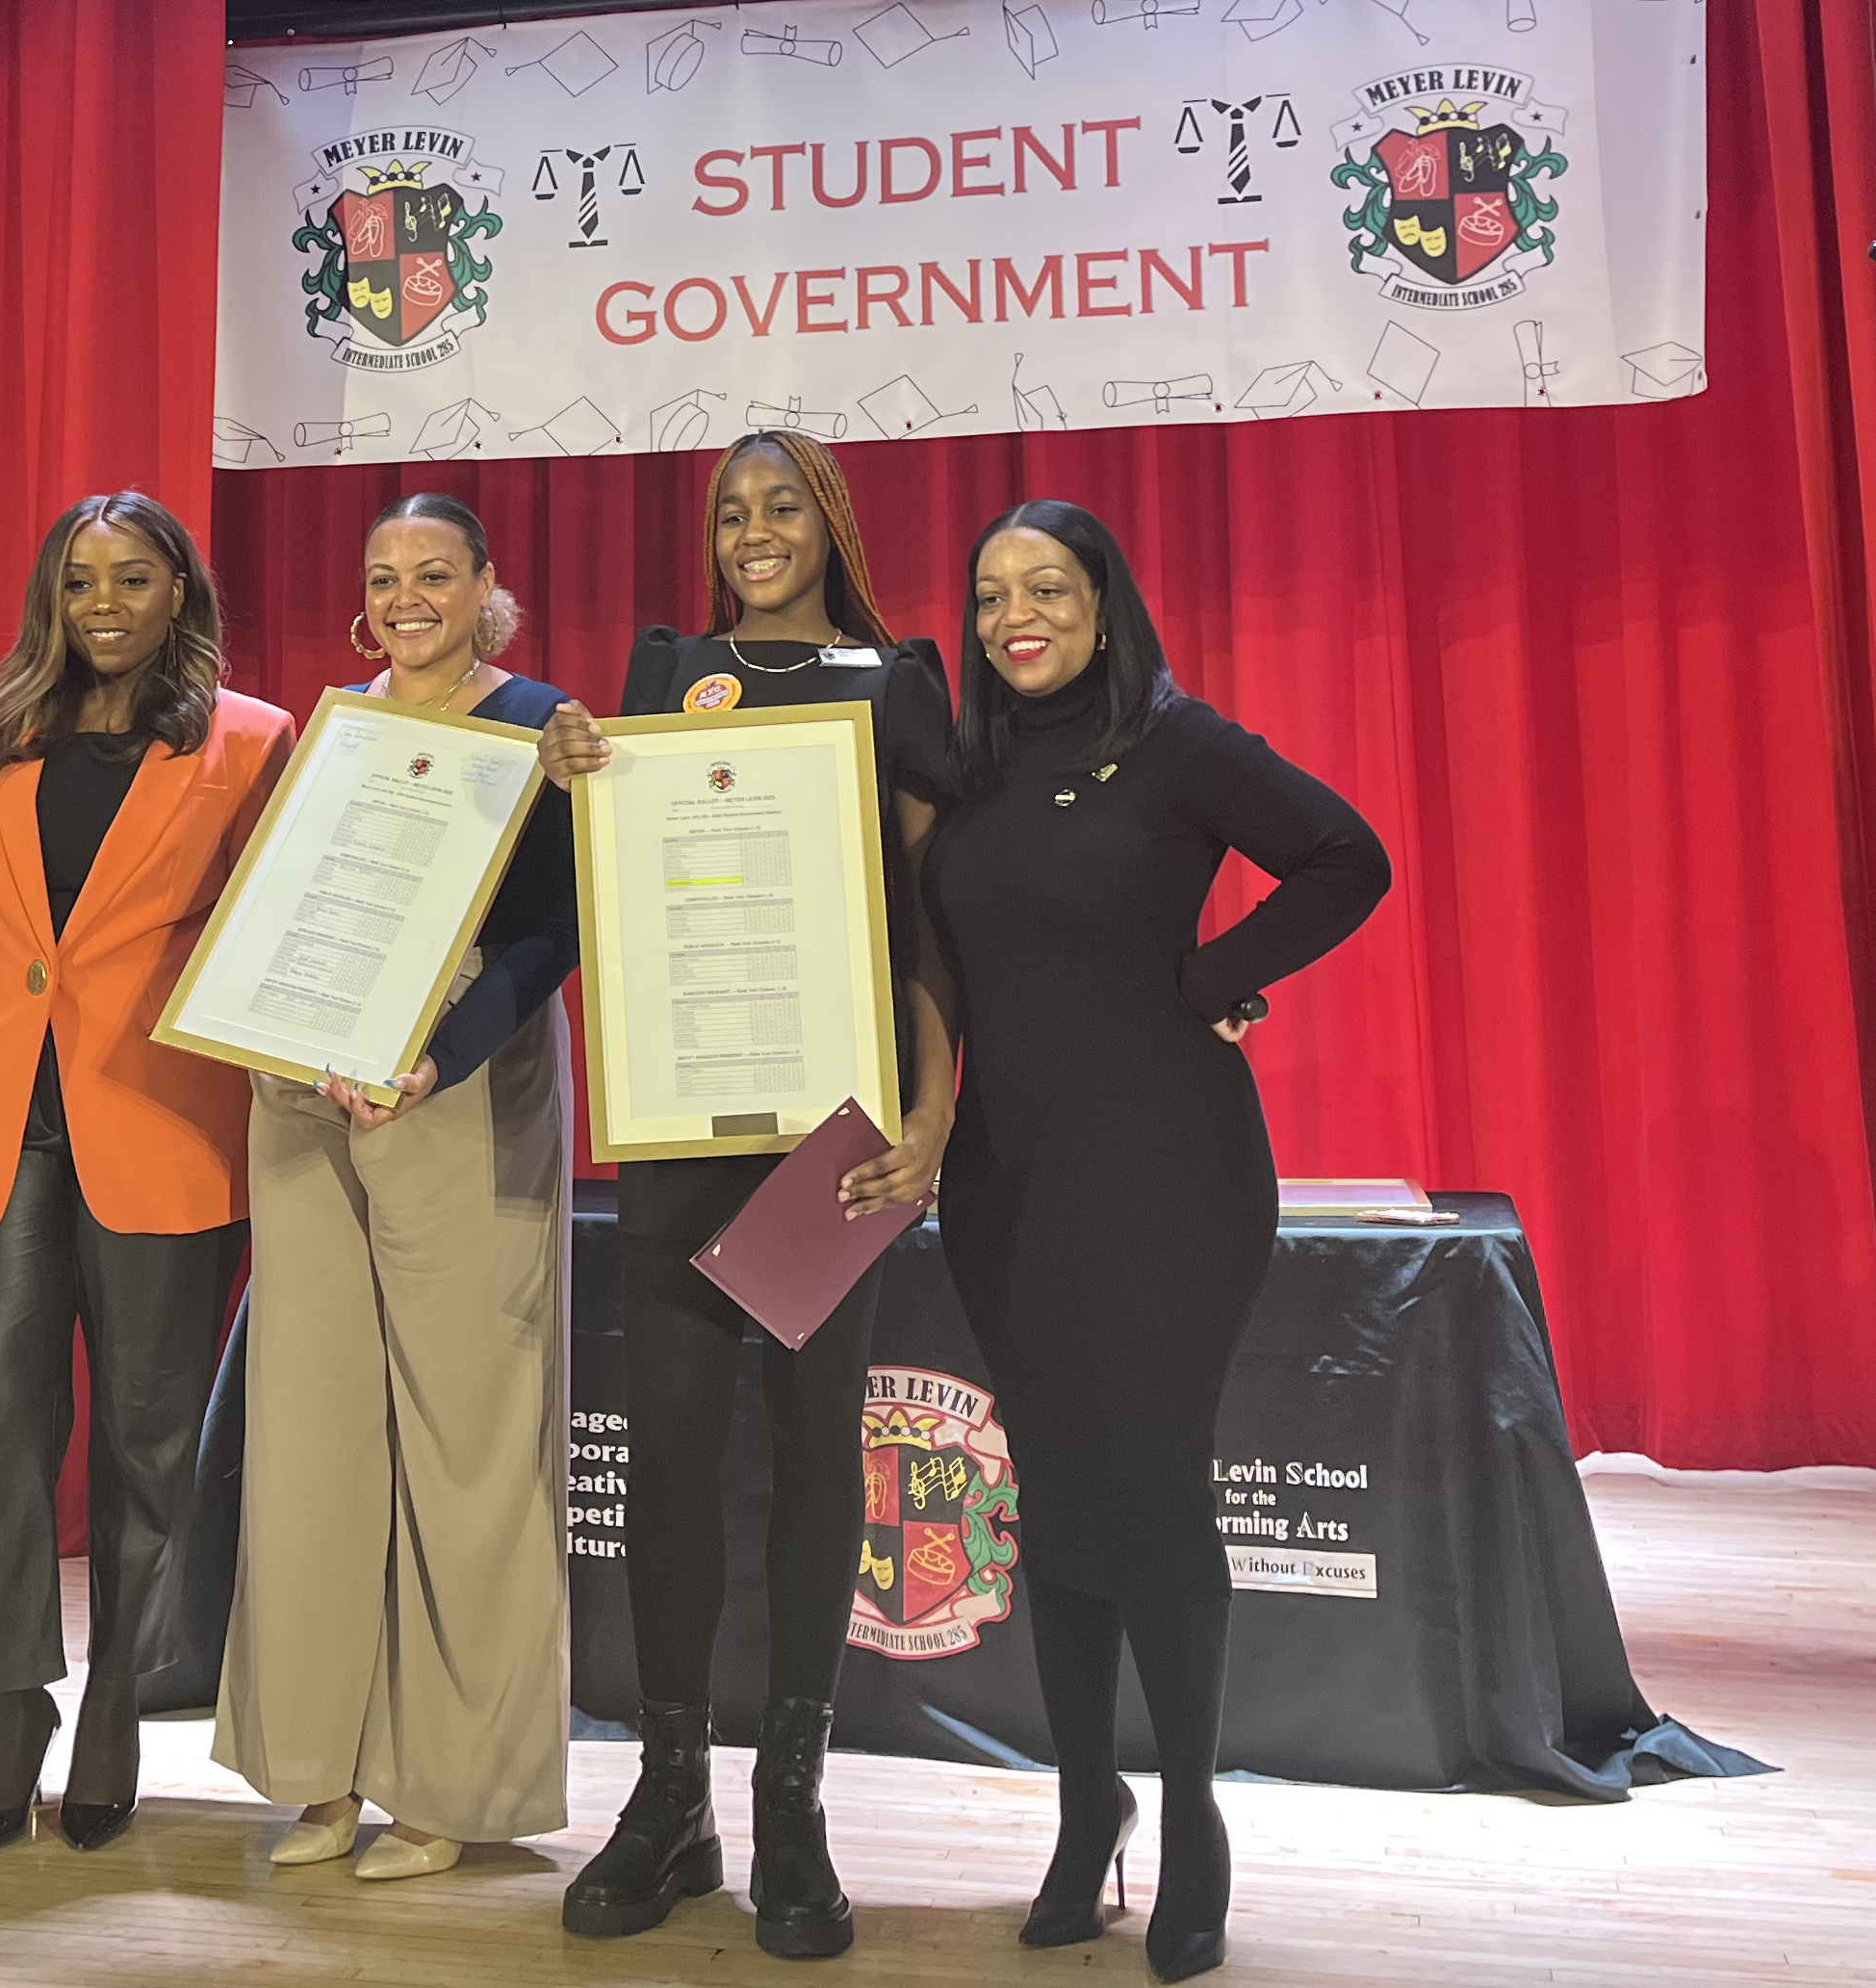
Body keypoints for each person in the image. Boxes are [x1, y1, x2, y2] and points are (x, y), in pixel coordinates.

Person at [907, 500, 1390, 1981]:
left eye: (1044, 588)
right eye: (989, 596)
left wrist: (1207, 980)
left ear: (1105, 605)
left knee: (1156, 1490)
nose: (1012, 617)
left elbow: (1344, 858)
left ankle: (1189, 1816)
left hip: (1172, 1175)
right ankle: (1081, 1801)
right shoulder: (965, 770)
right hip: (1004, 1180)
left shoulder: (1181, 746)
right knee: (1052, 1492)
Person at [534, 432, 956, 1959]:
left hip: (827, 1139)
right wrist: (575, 767)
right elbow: (625, 880)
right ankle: (668, 1800)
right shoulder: (664, 671)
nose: (753, 532)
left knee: (807, 1450)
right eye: (731, 512)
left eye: (781, 507)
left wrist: (931, 1106)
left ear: (828, 521)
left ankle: (790, 1801)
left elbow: (928, 924)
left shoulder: (894, 680)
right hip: (680, 1120)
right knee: (665, 1460)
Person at [0, 491, 294, 1855]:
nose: (103, 603)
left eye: (131, 577)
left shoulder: (252, 741)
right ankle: (17, 1701)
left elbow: (283, 930)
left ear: (179, 590)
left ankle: (118, 1690)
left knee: (146, 1435)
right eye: (78, 582)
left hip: (168, 1130)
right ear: (49, 601)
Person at [213, 494, 578, 1884]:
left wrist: (435, 1057)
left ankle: (444, 1788)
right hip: (307, 1091)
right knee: (312, 1435)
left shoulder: (538, 720)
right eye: (385, 576)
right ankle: (316, 1772)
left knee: (465, 1443)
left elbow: (552, 932)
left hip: (460, 1089)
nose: (409, 594)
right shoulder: (338, 726)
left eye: (435, 572)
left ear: (484, 583)